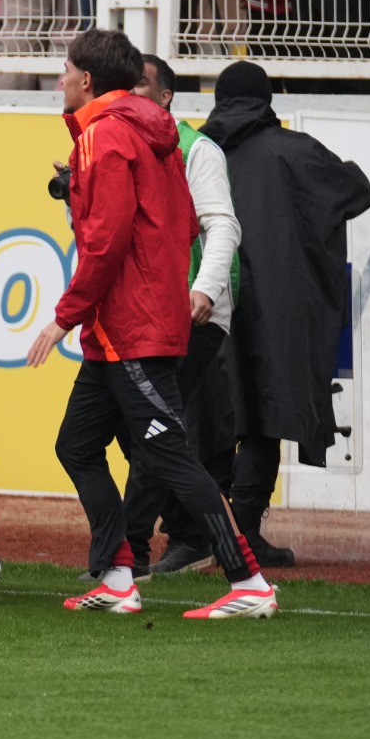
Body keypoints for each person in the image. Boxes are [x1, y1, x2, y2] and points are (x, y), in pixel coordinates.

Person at [27, 29, 276, 620]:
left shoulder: (106, 135)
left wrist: (64, 318)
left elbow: (105, 242)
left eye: (66, 69)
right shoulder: (157, 134)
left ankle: (248, 581)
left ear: (88, 79)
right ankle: (118, 574)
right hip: (131, 324)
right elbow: (183, 225)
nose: (60, 79)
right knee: (77, 444)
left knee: (168, 455)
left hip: (130, 328)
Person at [198, 59, 370, 566]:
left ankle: (202, 533)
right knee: (262, 419)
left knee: (209, 417)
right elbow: (356, 191)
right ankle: (244, 533)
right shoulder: (293, 151)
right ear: (266, 99)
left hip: (205, 302)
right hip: (276, 308)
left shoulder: (197, 153)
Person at [120, 54, 241, 574]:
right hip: (148, 309)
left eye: (141, 86)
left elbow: (223, 225)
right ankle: (191, 536)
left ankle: (137, 548)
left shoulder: (197, 149)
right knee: (140, 426)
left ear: (166, 97)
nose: (131, 95)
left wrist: (205, 290)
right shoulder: (120, 143)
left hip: (193, 312)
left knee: (150, 426)